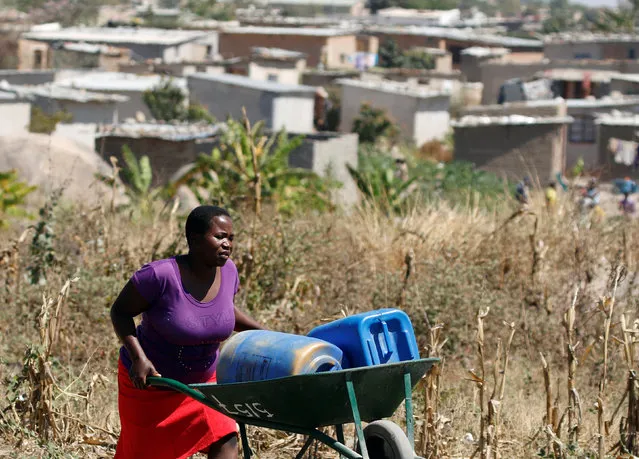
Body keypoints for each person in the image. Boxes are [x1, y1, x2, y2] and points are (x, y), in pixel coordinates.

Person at [110, 205, 264, 459]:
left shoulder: (229, 272)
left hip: (204, 386)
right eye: (219, 237)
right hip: (152, 385)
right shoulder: (159, 276)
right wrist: (139, 358)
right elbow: (120, 312)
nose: (227, 244)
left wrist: (265, 333)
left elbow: (222, 311)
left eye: (231, 238)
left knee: (225, 438)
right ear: (194, 238)